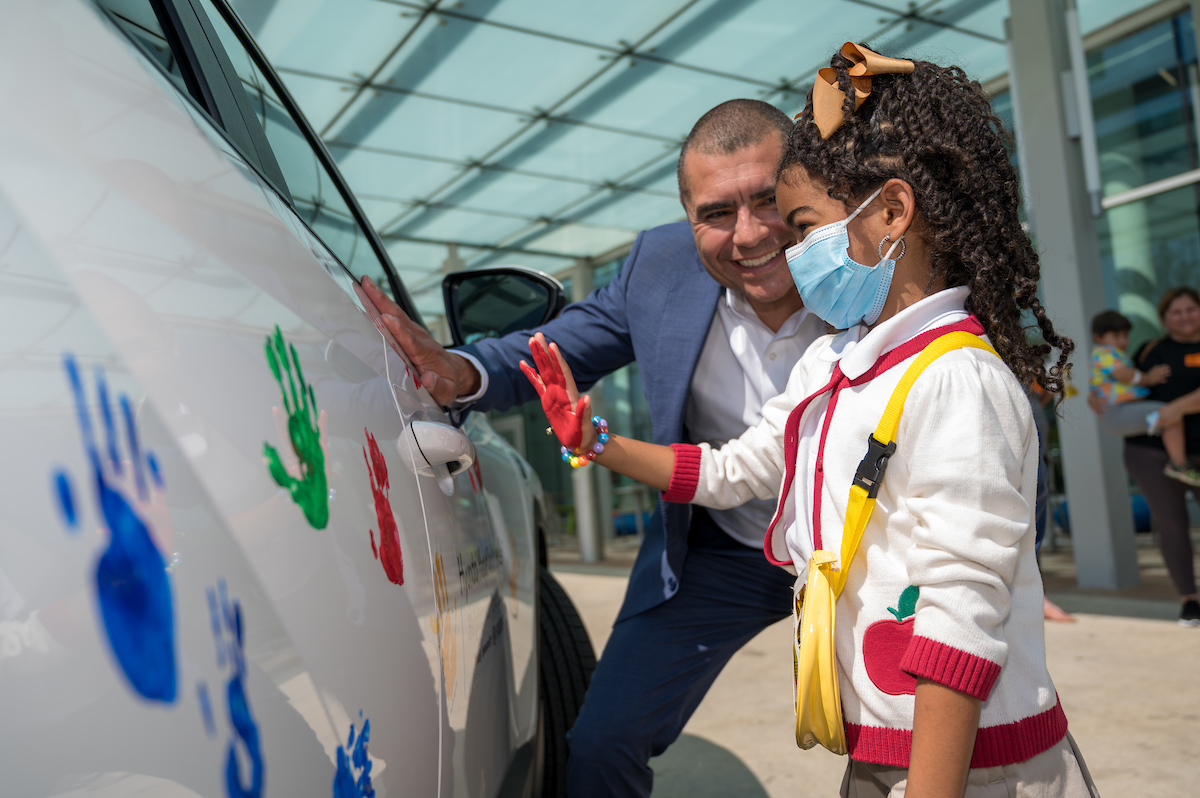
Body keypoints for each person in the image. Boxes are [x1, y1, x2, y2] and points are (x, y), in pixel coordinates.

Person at [522, 43, 1098, 797]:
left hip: (980, 771)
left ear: (892, 211)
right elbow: (736, 469)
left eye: (802, 225)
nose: (784, 252)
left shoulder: (958, 381)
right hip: (881, 753)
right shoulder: (835, 364)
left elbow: (961, 618)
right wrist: (594, 440)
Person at [361, 99, 832, 796]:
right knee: (603, 741)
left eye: (768, 201)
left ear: (806, 188)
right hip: (722, 551)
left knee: (924, 731)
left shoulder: (864, 255)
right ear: (688, 216)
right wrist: (458, 371)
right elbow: (555, 349)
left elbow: (972, 385)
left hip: (857, 547)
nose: (748, 234)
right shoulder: (662, 265)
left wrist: (1014, 555)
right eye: (716, 213)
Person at [1119, 287, 1200, 626]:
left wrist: (1174, 410)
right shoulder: (1151, 350)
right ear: (1164, 319)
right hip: (1151, 453)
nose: (1184, 317)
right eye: (1175, 312)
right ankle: (1189, 600)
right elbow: (1127, 391)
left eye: (1191, 309)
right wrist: (1103, 400)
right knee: (1172, 525)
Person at [1088, 310, 1199, 484]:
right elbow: (1122, 374)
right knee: (1170, 416)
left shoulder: (1116, 354)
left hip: (1120, 413)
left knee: (1167, 417)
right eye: (1116, 336)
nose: (1123, 341)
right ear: (1098, 337)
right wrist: (1148, 378)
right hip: (1117, 413)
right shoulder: (1105, 353)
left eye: (1125, 335)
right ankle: (1179, 464)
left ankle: (1176, 461)